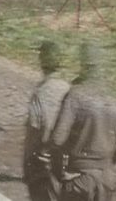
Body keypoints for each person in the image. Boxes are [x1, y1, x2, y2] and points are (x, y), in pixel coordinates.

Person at [50, 43, 116, 201]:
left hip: (79, 177)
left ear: (83, 65)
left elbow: (57, 139)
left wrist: (59, 172)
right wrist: (105, 166)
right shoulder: (115, 98)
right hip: (107, 180)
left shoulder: (75, 95)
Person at [24, 41, 70, 201]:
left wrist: (27, 165)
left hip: (44, 162)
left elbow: (33, 133)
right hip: (66, 160)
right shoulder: (69, 89)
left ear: (42, 62)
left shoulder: (40, 93)